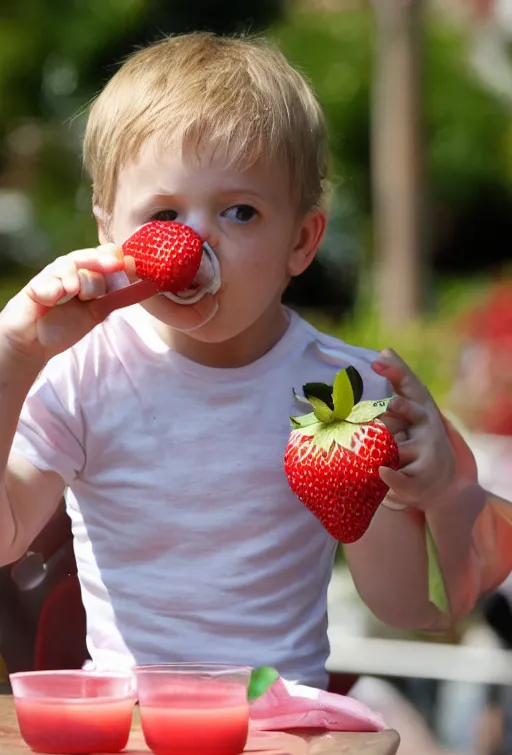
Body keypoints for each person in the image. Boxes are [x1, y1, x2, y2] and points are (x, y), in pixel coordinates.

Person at [0, 32, 510, 687]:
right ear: (107, 233)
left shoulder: (343, 389)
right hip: (130, 725)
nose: (196, 239)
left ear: (300, 242)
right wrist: (13, 353)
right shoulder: (82, 373)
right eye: (163, 212)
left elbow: (403, 607)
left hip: (279, 730)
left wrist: (422, 489)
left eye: (241, 212)